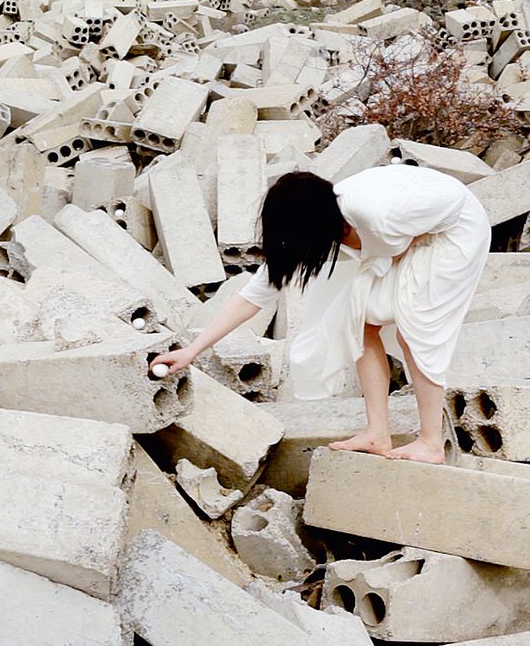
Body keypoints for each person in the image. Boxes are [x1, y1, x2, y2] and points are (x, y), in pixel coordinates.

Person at [149, 164, 491, 464]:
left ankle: (431, 443)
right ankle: (377, 432)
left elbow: (452, 201)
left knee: (416, 328)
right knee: (358, 322)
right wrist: (192, 351)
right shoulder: (323, 218)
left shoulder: (377, 214)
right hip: (412, 234)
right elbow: (253, 296)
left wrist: (407, 249)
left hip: (453, 232)